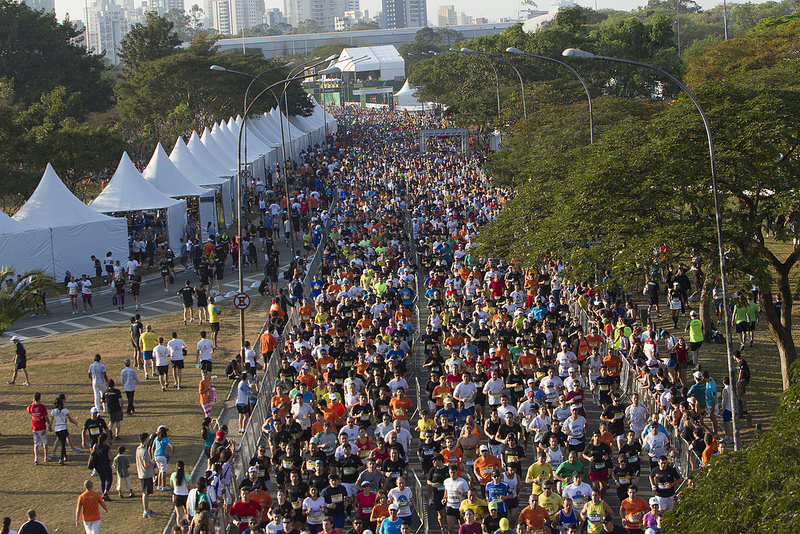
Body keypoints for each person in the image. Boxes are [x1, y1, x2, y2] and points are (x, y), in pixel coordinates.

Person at [48, 395, 79, 465]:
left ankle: (65, 456)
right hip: (63, 428)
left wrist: (49, 427)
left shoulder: (53, 411)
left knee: (62, 442)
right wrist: (75, 422)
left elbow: (51, 421)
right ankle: (61, 458)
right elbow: (70, 419)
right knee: (63, 444)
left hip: (57, 429)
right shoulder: (65, 410)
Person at [136, 431, 157, 518]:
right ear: (145, 439)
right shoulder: (144, 451)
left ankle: (147, 509)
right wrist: (153, 462)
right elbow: (146, 465)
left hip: (142, 474)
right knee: (146, 493)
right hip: (146, 474)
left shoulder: (138, 449)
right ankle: (145, 511)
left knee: (146, 493)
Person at [171, 460, 194, 525]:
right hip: (185, 496)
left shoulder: (173, 475)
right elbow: (191, 486)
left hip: (177, 495)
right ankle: (189, 526)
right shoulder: (187, 476)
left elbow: (171, 484)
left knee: (179, 515)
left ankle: (179, 527)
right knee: (187, 513)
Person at [28, 392, 48, 465]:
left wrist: (32, 403)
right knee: (45, 442)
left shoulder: (31, 407)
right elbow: (45, 416)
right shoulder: (42, 407)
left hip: (35, 428)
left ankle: (36, 457)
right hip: (42, 427)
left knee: (36, 443)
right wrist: (49, 423)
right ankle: (45, 457)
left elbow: (28, 410)